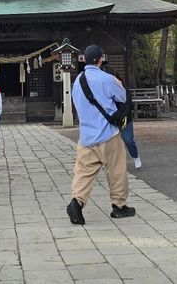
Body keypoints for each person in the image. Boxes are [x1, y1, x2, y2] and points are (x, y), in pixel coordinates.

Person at [67, 45, 136, 225]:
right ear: (100, 59)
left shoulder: (78, 81)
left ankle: (77, 202)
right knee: (116, 170)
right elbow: (122, 98)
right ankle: (118, 206)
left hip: (86, 136)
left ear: (84, 60)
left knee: (83, 172)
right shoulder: (108, 79)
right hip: (108, 134)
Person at [102, 65, 142, 169]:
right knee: (109, 142)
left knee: (128, 140)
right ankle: (112, 162)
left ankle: (135, 157)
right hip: (111, 120)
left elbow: (128, 105)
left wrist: (120, 115)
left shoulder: (123, 89)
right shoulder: (103, 91)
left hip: (124, 118)